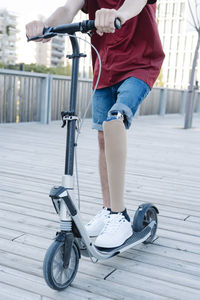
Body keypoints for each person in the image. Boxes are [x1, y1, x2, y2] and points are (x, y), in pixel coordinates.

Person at [26, 0, 165, 249]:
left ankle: (120, 216)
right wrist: (44, 25)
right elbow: (67, 10)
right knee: (103, 138)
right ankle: (109, 210)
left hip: (139, 66)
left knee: (116, 119)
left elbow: (135, 4)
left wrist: (117, 14)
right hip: (105, 69)